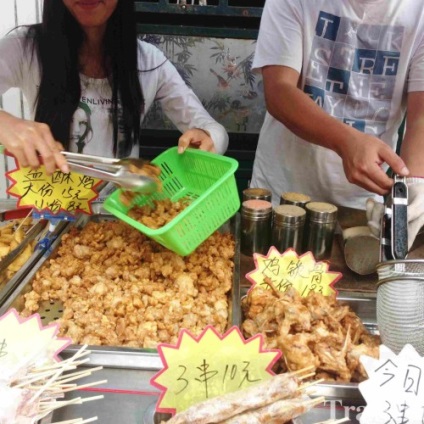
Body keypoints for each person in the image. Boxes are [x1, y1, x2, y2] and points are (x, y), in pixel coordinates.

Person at [250, 0, 424, 249]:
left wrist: (414, 185)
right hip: (285, 195)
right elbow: (279, 90)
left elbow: (420, 118)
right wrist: (345, 141)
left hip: (365, 208)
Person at [0, 0, 228, 177]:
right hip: (51, 217)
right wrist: (7, 123)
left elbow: (214, 131)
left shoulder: (148, 61)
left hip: (119, 220)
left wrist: (207, 137)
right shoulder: (25, 48)